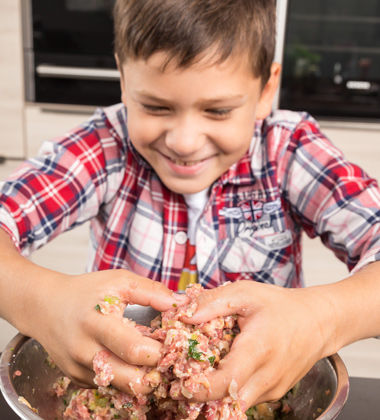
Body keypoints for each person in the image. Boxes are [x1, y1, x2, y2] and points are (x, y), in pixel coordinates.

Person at [0, 0, 380, 411]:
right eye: (155, 106)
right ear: (124, 81)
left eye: (218, 111)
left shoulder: (289, 151)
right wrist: (40, 300)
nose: (184, 141)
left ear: (266, 89)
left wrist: (322, 318)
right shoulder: (106, 146)